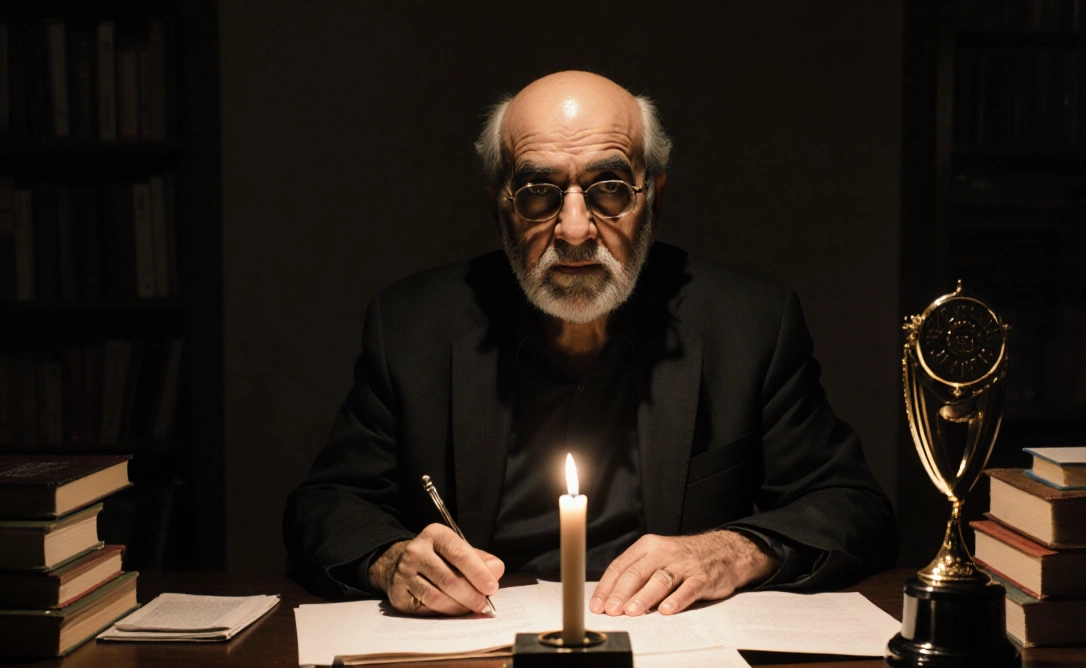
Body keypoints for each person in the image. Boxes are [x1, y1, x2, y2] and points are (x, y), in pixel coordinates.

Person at [283, 70, 897, 618]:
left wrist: (733, 551)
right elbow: (324, 508)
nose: (575, 230)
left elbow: (854, 509)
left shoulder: (750, 323)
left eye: (609, 188)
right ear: (501, 205)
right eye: (538, 193)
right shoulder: (413, 325)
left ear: (652, 197)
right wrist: (391, 561)